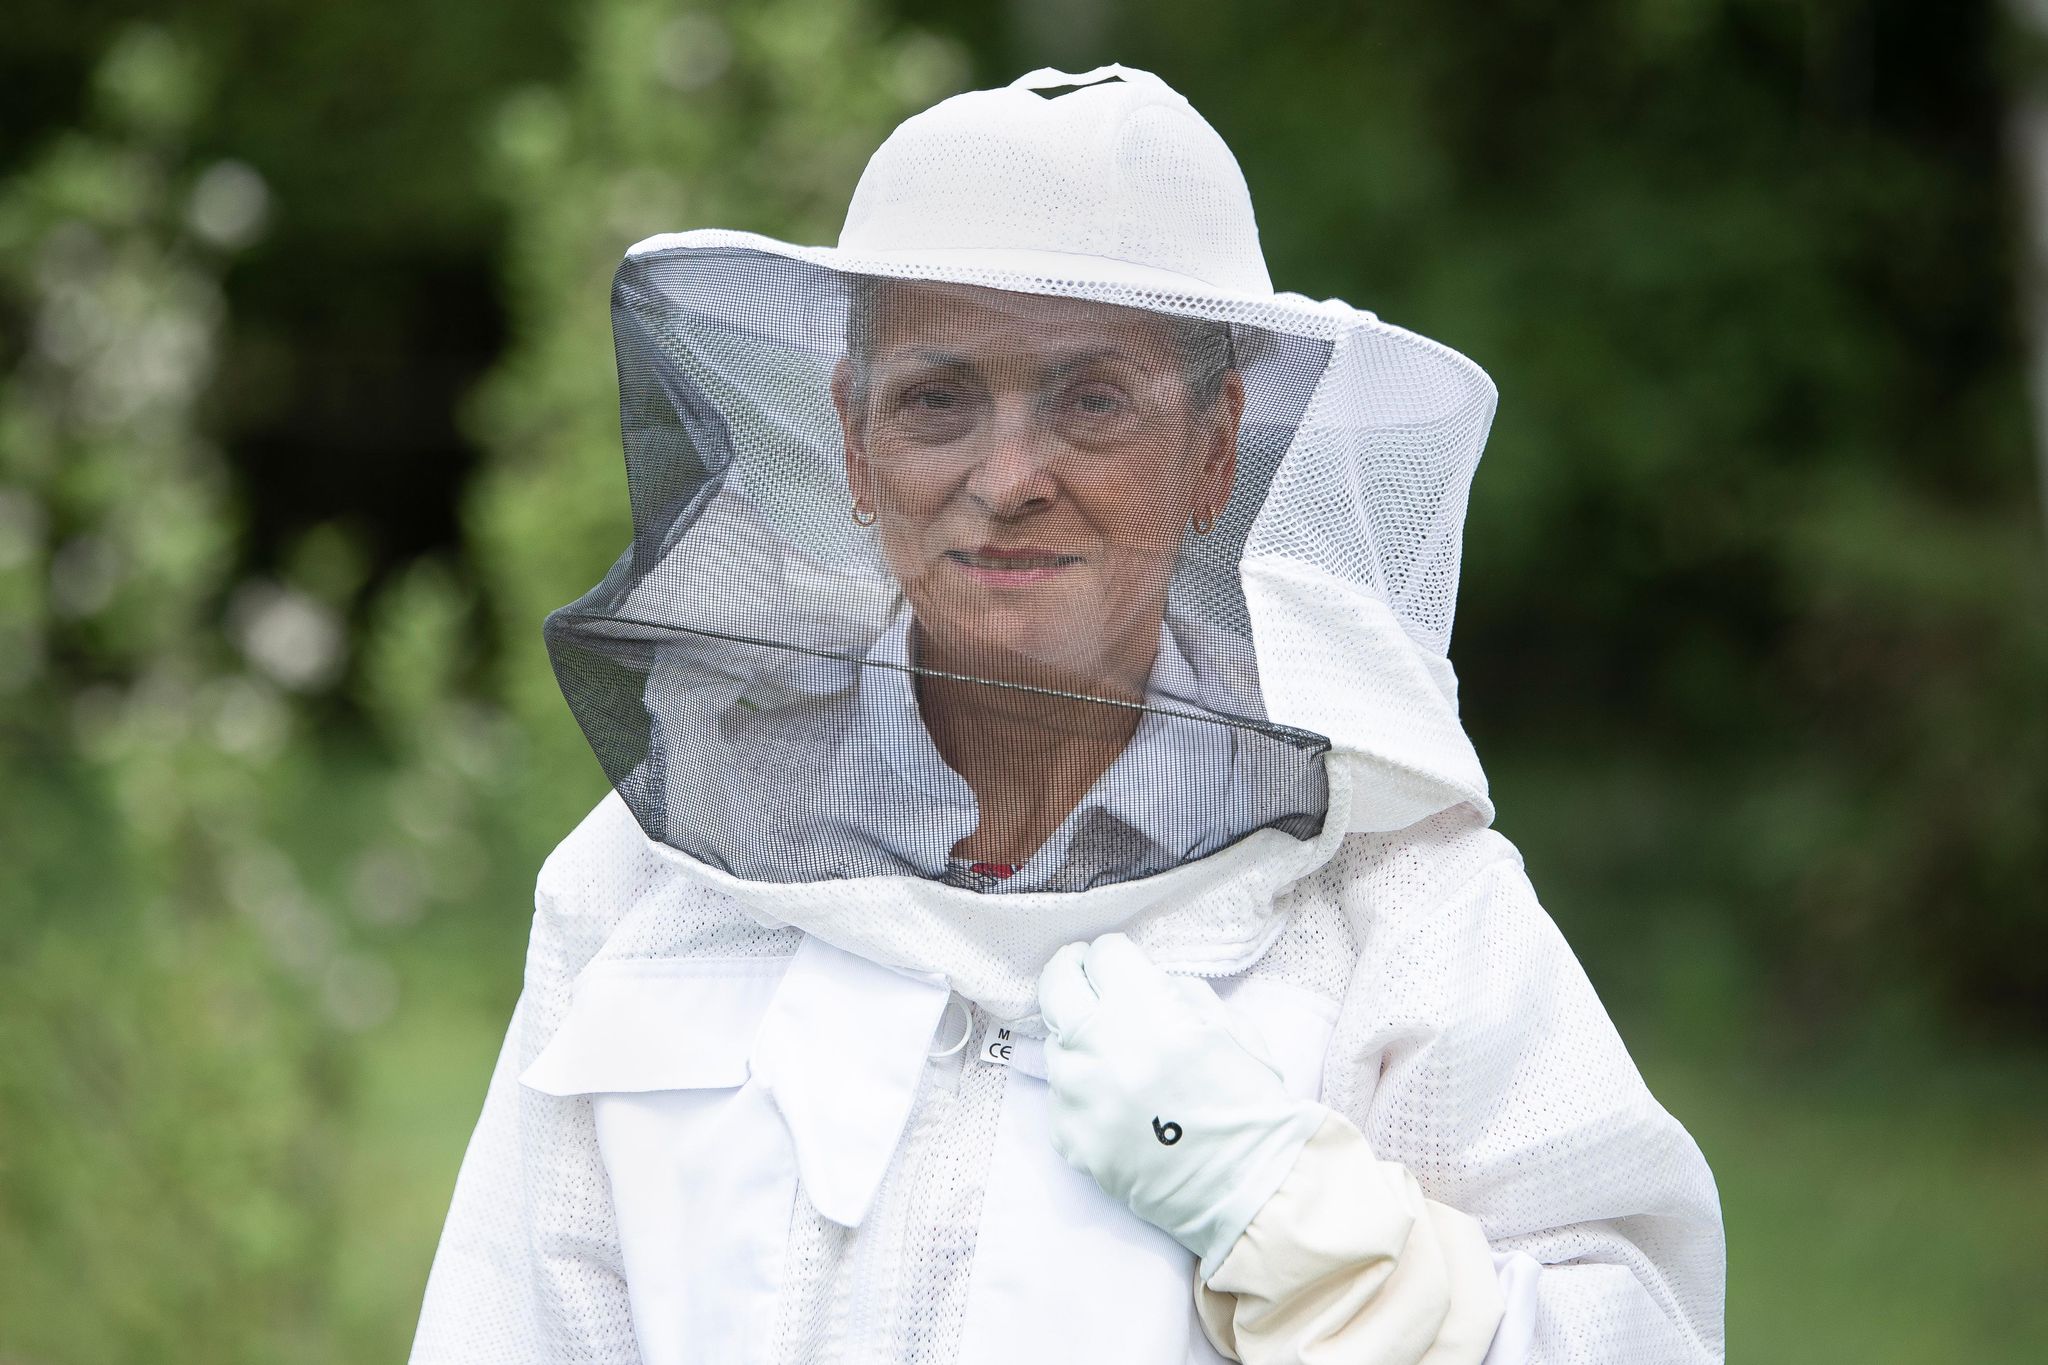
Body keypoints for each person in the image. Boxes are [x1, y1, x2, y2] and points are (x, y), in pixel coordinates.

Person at [409, 64, 1725, 1365]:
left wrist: (1306, 1229)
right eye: (938, 398)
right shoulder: (649, 883)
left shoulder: (1402, 906)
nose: (1009, 476)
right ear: (856, 445)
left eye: (1093, 398)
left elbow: (1643, 1336)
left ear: (1215, 450)